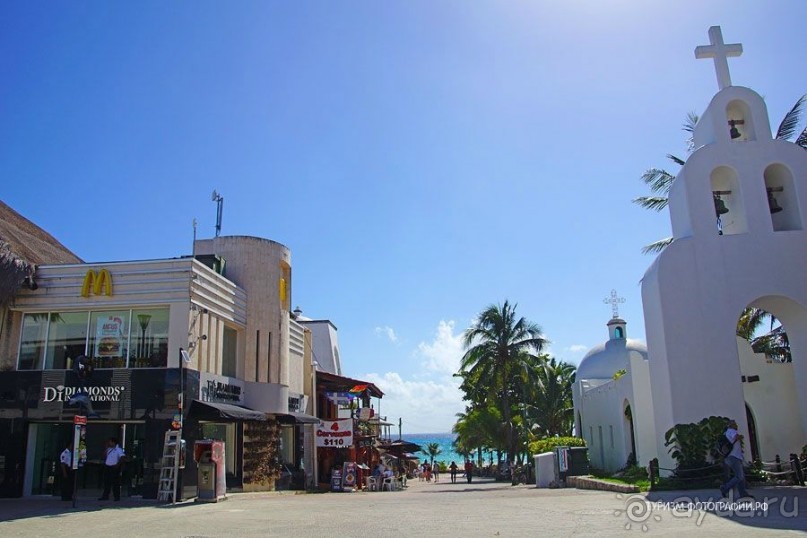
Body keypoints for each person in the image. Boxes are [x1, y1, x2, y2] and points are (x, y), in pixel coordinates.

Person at [720, 419, 753, 499]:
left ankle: (743, 494)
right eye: (735, 424)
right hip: (734, 457)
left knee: (741, 477)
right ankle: (725, 488)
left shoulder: (726, 432)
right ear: (731, 425)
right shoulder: (732, 431)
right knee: (739, 476)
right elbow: (736, 437)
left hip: (730, 456)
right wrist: (741, 436)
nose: (737, 425)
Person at [99, 437, 125, 501]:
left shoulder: (118, 449)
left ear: (113, 442)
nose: (109, 443)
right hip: (108, 466)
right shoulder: (109, 449)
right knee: (106, 482)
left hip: (114, 467)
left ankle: (116, 497)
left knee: (115, 483)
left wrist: (117, 465)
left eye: (110, 442)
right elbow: (105, 456)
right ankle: (105, 496)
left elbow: (122, 457)